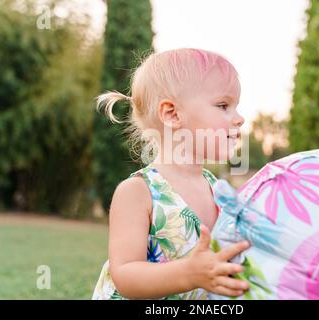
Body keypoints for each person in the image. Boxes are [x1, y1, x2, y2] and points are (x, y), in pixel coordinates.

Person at [92, 48, 250, 300]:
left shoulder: (218, 190)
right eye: (223, 105)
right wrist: (188, 273)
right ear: (172, 114)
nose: (239, 118)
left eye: (236, 107)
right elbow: (125, 275)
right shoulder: (138, 191)